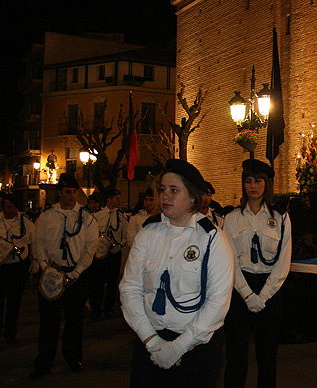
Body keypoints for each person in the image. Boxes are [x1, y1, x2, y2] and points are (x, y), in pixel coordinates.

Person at [120, 159, 234, 387]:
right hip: (150, 340)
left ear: (192, 197)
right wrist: (152, 342)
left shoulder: (213, 238)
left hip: (196, 347)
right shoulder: (148, 233)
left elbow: (217, 302)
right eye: (162, 190)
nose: (165, 196)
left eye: (174, 190)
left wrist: (178, 347)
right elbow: (130, 288)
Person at [223, 158, 292, 388]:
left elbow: (283, 261)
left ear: (267, 184)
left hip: (270, 290)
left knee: (267, 357)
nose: (253, 186)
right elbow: (229, 260)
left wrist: (263, 296)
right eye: (248, 181)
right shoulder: (232, 218)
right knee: (235, 357)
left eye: (258, 181)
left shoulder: (280, 217)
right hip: (239, 289)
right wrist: (247, 295)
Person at [30, 173, 99, 379]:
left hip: (75, 275)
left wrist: (76, 272)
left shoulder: (86, 217)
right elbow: (39, 243)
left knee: (74, 321)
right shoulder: (47, 216)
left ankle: (73, 358)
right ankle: (44, 362)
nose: (72, 196)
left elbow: (90, 247)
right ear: (59, 192)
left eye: (74, 192)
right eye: (67, 192)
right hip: (52, 274)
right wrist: (45, 267)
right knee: (48, 323)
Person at [280, 197, 317, 344]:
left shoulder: (291, 224)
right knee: (309, 301)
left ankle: (297, 331)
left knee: (296, 303)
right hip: (312, 266)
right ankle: (311, 330)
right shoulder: (312, 222)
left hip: (295, 267)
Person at [0, 194, 37, 344]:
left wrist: (34, 261)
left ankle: (10, 332)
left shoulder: (26, 223)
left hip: (18, 267)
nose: (12, 210)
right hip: (1, 266)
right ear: (2, 207)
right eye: (9, 207)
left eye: (15, 207)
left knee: (14, 302)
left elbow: (34, 243)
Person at [91, 188, 128, 320]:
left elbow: (126, 235)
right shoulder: (97, 216)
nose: (119, 201)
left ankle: (108, 308)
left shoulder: (122, 217)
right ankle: (95, 309)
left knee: (112, 282)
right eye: (117, 198)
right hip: (100, 253)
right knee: (98, 282)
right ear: (109, 199)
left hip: (114, 253)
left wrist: (119, 246)